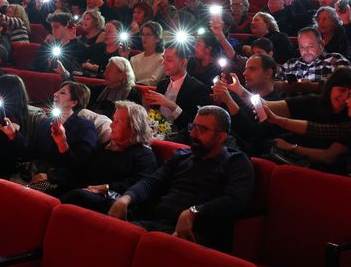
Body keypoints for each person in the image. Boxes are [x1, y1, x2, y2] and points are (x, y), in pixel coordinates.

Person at [107, 106, 254, 250]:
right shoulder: (182, 155)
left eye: (201, 129)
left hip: (197, 235)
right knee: (112, 232)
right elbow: (153, 182)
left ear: (221, 137)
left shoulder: (236, 162)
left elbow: (234, 201)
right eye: (193, 127)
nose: (193, 134)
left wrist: (194, 211)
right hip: (156, 223)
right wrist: (126, 198)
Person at [59, 101, 158, 208]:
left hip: (109, 200)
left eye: (117, 122)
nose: (111, 125)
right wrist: (62, 142)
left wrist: (104, 187)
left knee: (77, 196)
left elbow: (139, 186)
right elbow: (81, 167)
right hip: (84, 189)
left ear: (133, 127)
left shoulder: (145, 155)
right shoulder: (108, 145)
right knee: (51, 185)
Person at [141, 45, 211, 134]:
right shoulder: (162, 84)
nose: (163, 63)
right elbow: (155, 120)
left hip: (181, 137)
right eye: (163, 58)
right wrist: (146, 107)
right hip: (157, 133)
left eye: (169, 60)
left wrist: (171, 105)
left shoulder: (198, 89)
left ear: (183, 62)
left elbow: (193, 125)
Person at [128, 21, 165, 85]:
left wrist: (135, 85)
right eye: (143, 34)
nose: (144, 38)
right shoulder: (134, 59)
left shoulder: (163, 58)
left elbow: (154, 80)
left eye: (148, 34)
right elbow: (129, 77)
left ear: (157, 39)